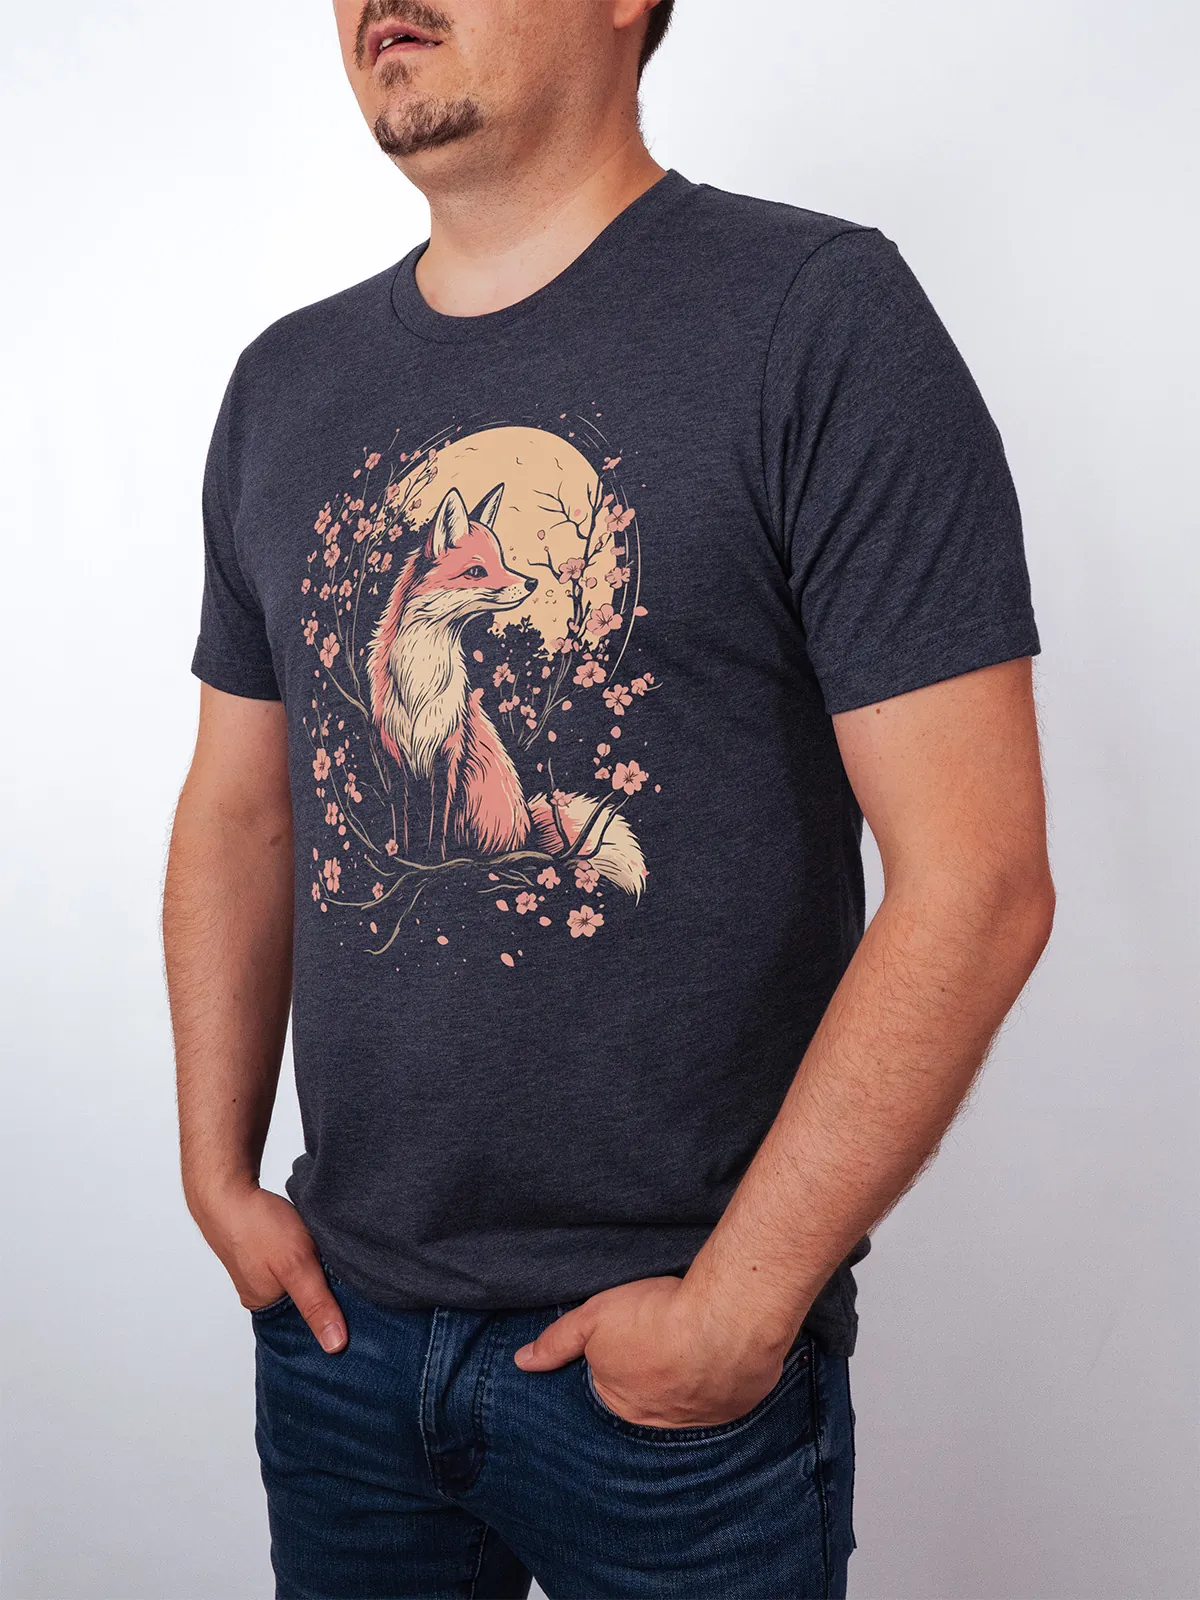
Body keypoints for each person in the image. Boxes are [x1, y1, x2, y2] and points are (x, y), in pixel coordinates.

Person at [162, 1, 1055, 1594]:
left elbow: (977, 878)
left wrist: (738, 1312)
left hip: (670, 1391)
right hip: (343, 1342)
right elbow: (245, 810)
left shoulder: (817, 317)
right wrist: (216, 1180)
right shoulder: (284, 384)